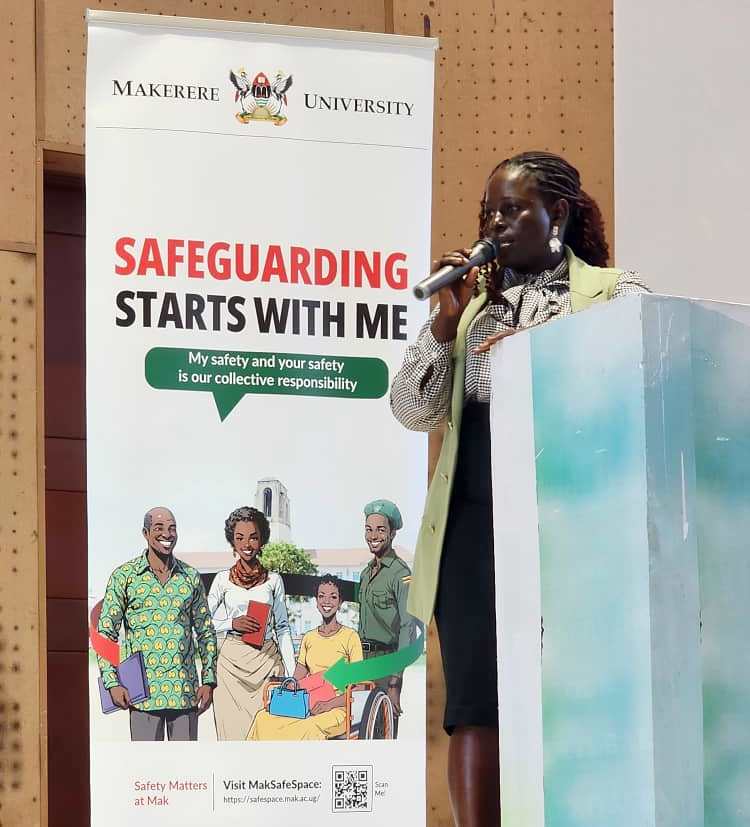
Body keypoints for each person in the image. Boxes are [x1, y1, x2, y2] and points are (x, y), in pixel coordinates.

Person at [390, 151, 649, 826]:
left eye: (511, 209)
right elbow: (412, 411)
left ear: (556, 213)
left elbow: (643, 384)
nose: (495, 223)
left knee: (574, 690)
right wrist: (444, 324)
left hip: (577, 522)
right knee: (477, 702)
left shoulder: (616, 297)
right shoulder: (472, 310)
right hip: (476, 529)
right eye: (488, 212)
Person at [96, 507, 218, 741]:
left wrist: (209, 680)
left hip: (185, 694)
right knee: (145, 771)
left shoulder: (190, 577)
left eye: (172, 528)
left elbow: (205, 632)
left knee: (185, 773)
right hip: (141, 696)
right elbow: (105, 634)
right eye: (159, 528)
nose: (167, 534)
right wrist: (112, 683)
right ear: (145, 533)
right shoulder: (125, 576)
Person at [207, 505, 296, 740]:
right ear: (232, 542)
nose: (247, 544)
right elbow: (202, 623)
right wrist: (231, 623)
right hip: (229, 666)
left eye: (253, 537)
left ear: (262, 541)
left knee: (269, 734)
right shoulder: (221, 580)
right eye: (240, 538)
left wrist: (291, 671)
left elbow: (283, 627)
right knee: (231, 736)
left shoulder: (274, 581)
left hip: (266, 662)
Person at [248, 574, 363, 740]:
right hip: (307, 702)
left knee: (308, 727)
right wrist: (287, 688)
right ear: (316, 601)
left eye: (333, 597)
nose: (327, 601)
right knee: (263, 718)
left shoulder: (350, 637)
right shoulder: (309, 637)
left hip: (338, 707)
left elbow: (358, 687)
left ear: (340, 602)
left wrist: (328, 705)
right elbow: (298, 676)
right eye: (321, 596)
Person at [358, 499, 416, 726]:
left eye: (381, 530)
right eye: (368, 529)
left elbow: (408, 628)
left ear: (392, 533)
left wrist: (395, 683)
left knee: (382, 731)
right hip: (361, 661)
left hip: (386, 663)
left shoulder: (401, 574)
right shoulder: (365, 573)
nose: (373, 535)